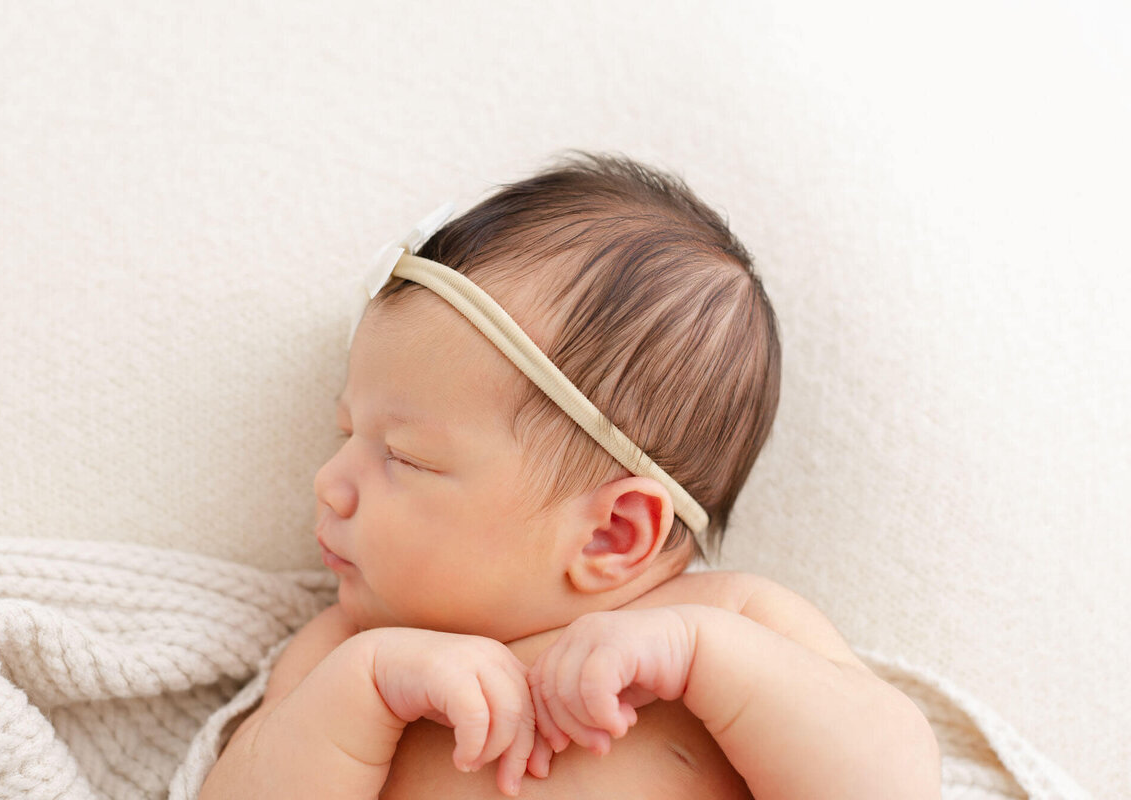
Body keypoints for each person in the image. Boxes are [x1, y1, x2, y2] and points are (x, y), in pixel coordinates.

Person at [198, 152, 940, 799]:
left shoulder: (734, 622)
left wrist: (703, 657)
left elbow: (892, 780)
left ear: (614, 534)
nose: (330, 480)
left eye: (404, 457)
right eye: (345, 434)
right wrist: (365, 688)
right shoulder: (348, 650)